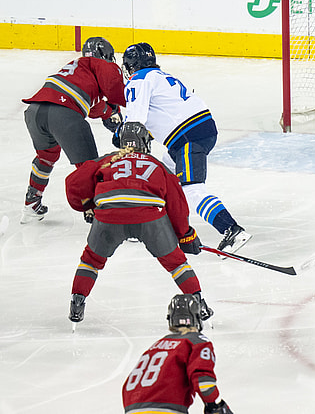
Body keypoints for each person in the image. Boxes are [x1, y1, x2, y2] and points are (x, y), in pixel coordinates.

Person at [65, 122, 213, 325]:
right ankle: (198, 302)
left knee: (91, 260)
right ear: (144, 142)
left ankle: (77, 301)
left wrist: (87, 205)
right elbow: (177, 205)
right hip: (150, 218)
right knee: (176, 263)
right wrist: (186, 235)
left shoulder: (107, 160)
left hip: (109, 216)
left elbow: (74, 182)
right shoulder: (158, 165)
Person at [119, 42, 252, 253]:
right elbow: (158, 118)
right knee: (160, 177)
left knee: (192, 190)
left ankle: (232, 230)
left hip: (188, 139)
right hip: (196, 132)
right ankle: (143, 223)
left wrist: (121, 133)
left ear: (132, 65)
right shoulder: (159, 76)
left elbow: (135, 123)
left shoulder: (139, 79)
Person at [21, 37, 124, 224]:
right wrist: (116, 109)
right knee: (89, 166)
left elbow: (92, 105)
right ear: (105, 56)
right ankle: (95, 211)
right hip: (63, 114)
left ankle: (31, 203)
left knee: (46, 158)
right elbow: (111, 89)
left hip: (34, 112)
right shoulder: (100, 66)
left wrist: (107, 113)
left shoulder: (76, 67)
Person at [122, 294, 233, 414]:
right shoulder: (196, 341)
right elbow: (203, 382)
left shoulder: (156, 346)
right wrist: (215, 405)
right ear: (196, 317)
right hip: (165, 409)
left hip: (132, 409)